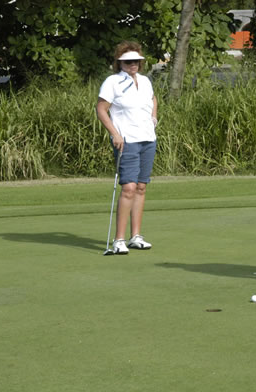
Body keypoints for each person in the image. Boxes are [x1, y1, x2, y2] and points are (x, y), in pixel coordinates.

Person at [96, 41, 158, 254]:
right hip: (127, 140)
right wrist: (114, 133)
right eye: (128, 61)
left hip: (148, 139)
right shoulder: (112, 82)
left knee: (141, 186)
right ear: (120, 62)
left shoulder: (145, 81)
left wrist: (153, 117)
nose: (133, 65)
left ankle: (136, 236)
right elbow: (101, 109)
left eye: (136, 61)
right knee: (129, 187)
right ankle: (119, 240)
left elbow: (152, 99)